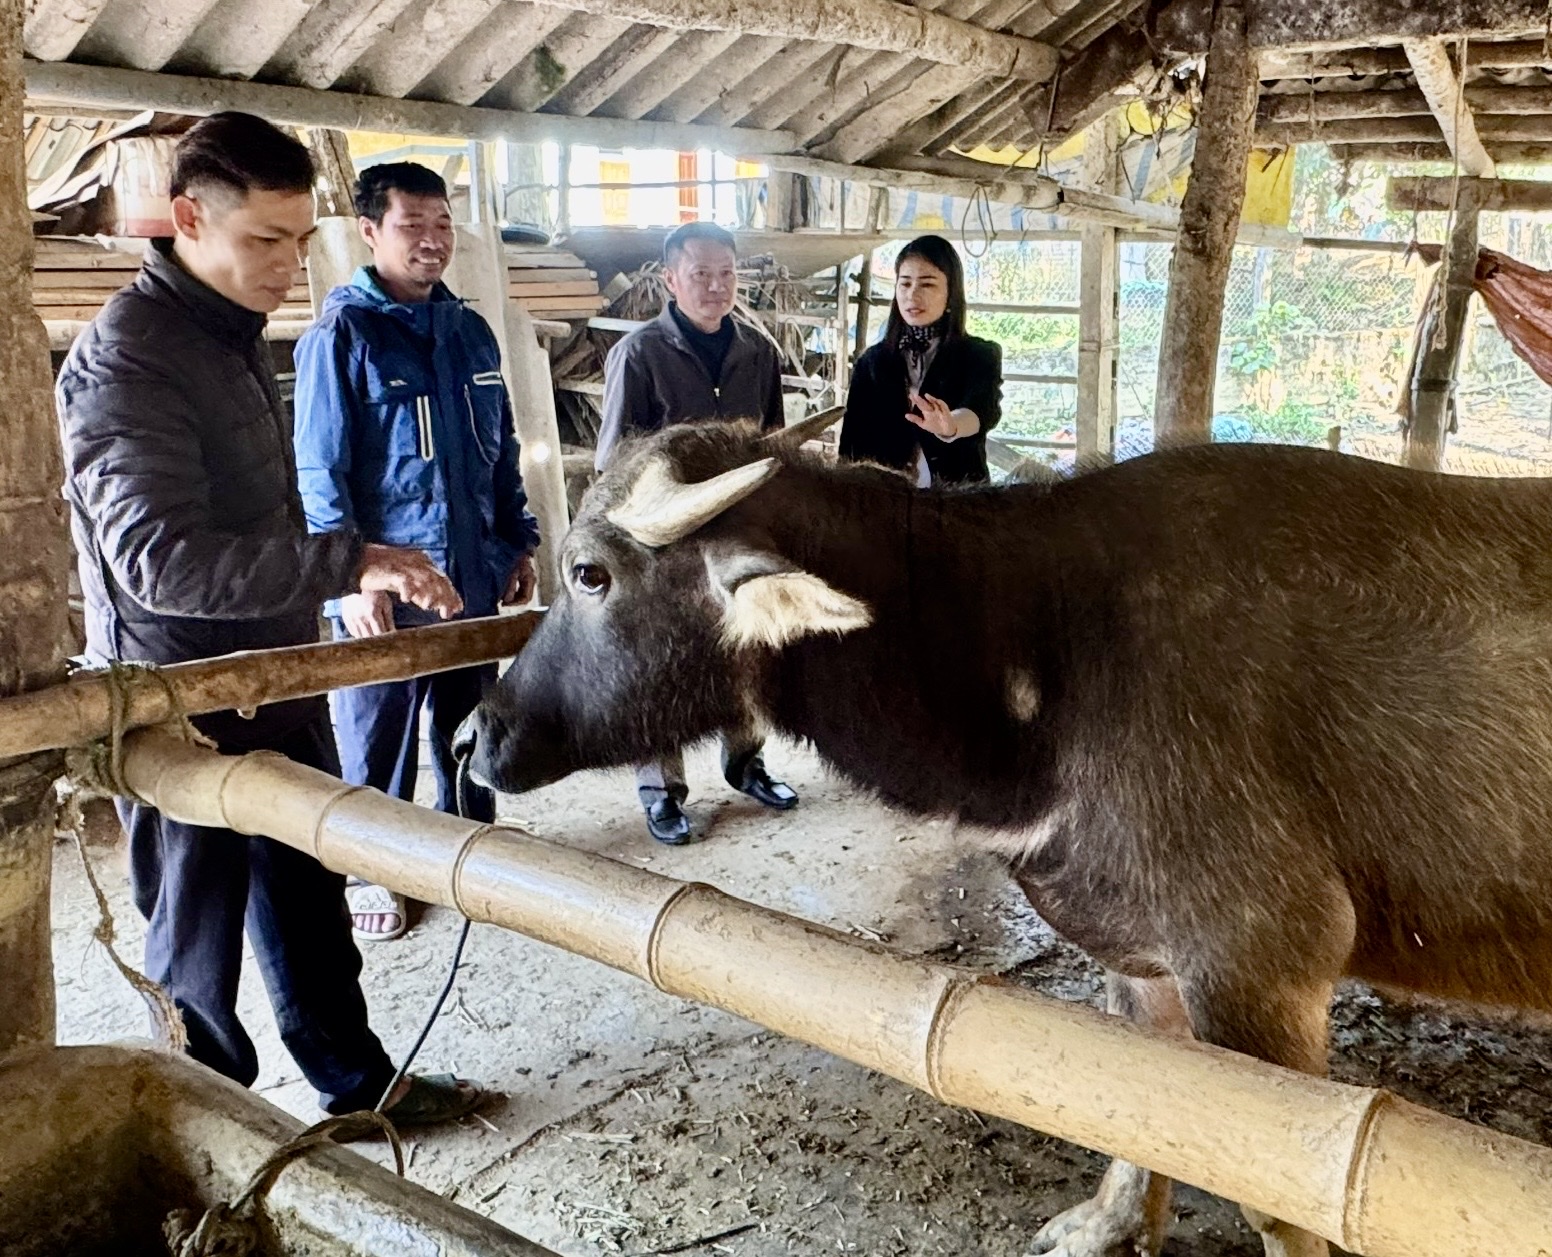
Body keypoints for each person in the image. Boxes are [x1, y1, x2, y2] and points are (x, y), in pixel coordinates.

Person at [56, 112, 484, 1127]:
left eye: (299, 241)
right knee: (194, 946)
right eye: (264, 241)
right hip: (176, 699)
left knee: (305, 900)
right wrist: (350, 560)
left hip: (270, 674)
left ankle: (355, 1087)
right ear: (190, 217)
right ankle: (207, 1130)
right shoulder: (133, 357)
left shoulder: (227, 329)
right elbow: (160, 563)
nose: (289, 266)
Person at [293, 162, 540, 942]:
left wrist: (517, 540)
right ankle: (376, 866)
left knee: (470, 719)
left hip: (466, 574)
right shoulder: (344, 334)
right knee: (378, 732)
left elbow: (500, 451)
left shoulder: (469, 330)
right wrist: (349, 581)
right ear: (370, 233)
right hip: (386, 590)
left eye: (442, 226)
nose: (432, 242)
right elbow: (319, 470)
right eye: (413, 227)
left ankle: (470, 845)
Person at [596, 220, 798, 846]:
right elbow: (612, 464)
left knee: (749, 647)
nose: (716, 287)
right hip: (666, 544)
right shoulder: (638, 354)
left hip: (735, 532)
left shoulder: (756, 353)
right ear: (670, 279)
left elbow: (772, 448)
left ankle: (746, 764)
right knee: (661, 664)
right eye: (701, 274)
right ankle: (662, 793)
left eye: (726, 274)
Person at [839, 234, 1003, 485]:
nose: (912, 295)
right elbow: (851, 446)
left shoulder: (979, 355)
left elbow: (982, 411)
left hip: (957, 504)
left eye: (927, 284)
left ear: (951, 293)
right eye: (904, 284)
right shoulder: (871, 362)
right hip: (884, 503)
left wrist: (950, 427)